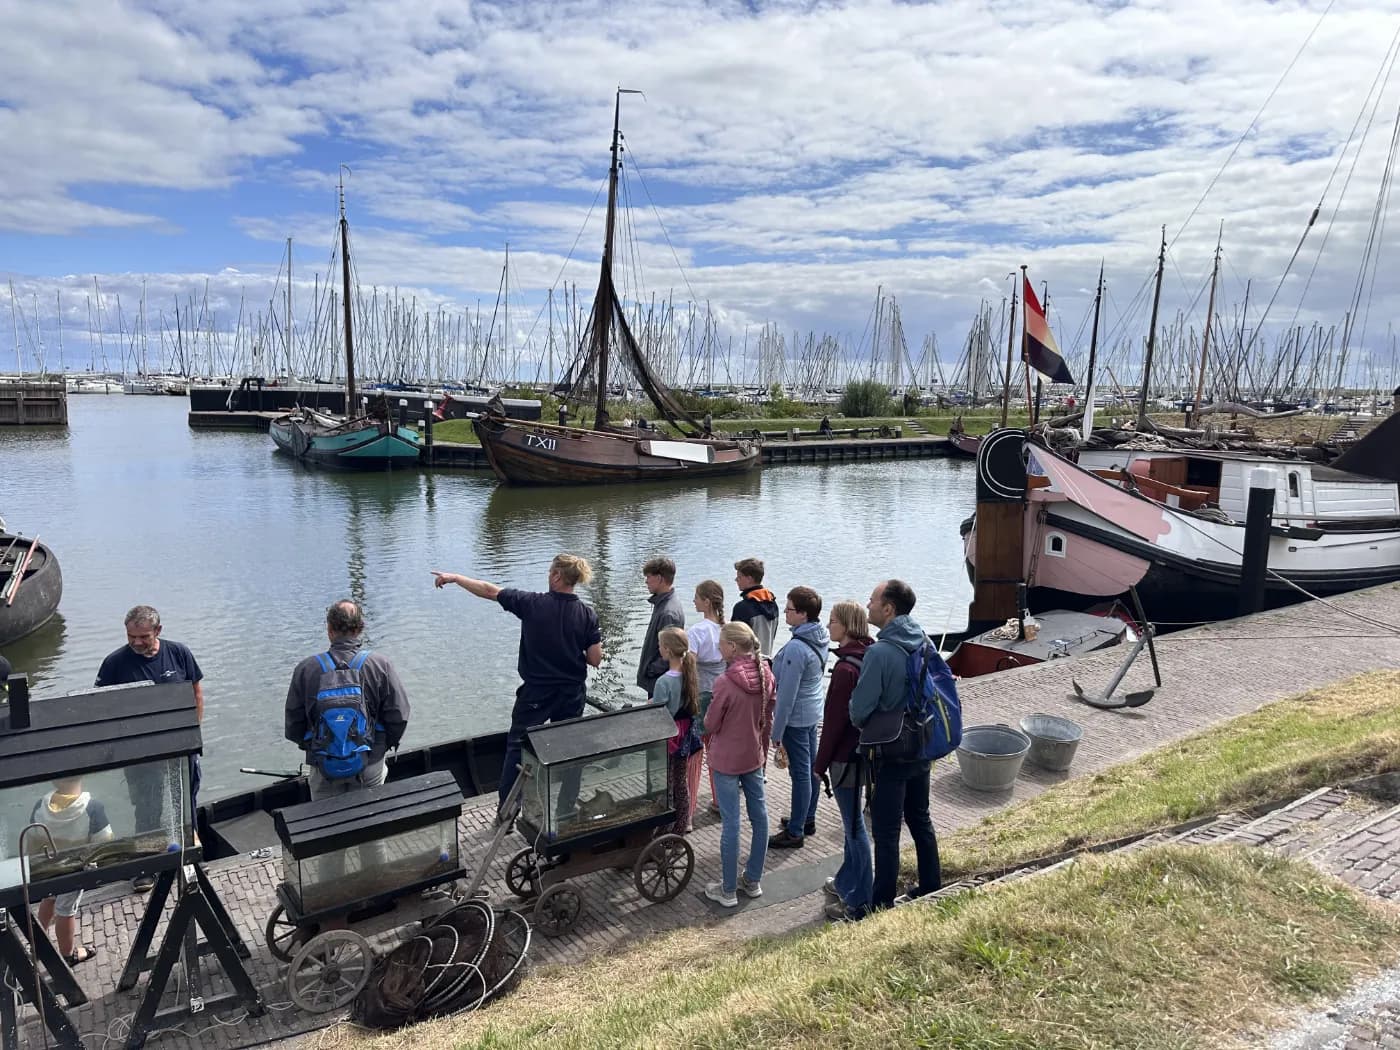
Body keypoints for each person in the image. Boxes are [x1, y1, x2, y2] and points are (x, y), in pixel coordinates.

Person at [433, 555, 602, 809]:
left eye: (549, 571)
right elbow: (595, 659)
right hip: (571, 693)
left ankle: (508, 810)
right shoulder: (587, 614)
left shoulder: (532, 604)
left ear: (556, 575)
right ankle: (565, 809)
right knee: (569, 748)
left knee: (519, 748)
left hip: (536, 692)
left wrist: (456, 578)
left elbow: (490, 591)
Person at [95, 605, 204, 893]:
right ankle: (146, 867)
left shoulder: (178, 653)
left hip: (181, 750)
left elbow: (196, 692)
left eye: (143, 636)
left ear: (158, 631)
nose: (136, 642)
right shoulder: (114, 664)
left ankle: (188, 860)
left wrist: (193, 734)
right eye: (131, 636)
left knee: (186, 804)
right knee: (146, 809)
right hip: (140, 755)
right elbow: (101, 708)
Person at [850, 579, 942, 911]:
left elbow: (859, 709)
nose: (868, 604)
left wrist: (862, 718)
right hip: (921, 742)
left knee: (886, 831)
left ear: (888, 609)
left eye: (872, 600)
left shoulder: (880, 652)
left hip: (890, 751)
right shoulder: (923, 640)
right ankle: (932, 883)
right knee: (920, 816)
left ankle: (881, 902)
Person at [284, 600, 410, 801]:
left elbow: (293, 725)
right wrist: (381, 746)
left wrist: (316, 748)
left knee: (325, 824)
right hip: (369, 761)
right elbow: (399, 716)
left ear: (329, 629)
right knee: (370, 819)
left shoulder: (306, 669)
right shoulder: (379, 665)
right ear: (360, 628)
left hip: (323, 765)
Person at [703, 622, 774, 908]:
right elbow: (768, 716)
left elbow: (710, 723)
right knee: (760, 816)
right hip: (753, 756)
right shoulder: (766, 673)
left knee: (731, 823)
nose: (719, 648)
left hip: (726, 760)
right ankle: (753, 880)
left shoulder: (725, 683)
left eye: (721, 644)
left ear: (732, 647)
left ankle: (728, 889)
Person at [814, 601, 876, 920]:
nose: (828, 626)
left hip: (845, 757)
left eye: (833, 621)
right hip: (866, 752)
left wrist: (819, 764)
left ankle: (861, 899)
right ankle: (846, 881)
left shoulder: (845, 669)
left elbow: (834, 722)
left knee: (854, 829)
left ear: (848, 626)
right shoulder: (871, 656)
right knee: (853, 823)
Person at [768, 586, 829, 850]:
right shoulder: (821, 636)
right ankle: (807, 818)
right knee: (811, 768)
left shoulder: (796, 649)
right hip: (812, 711)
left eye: (790, 609)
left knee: (801, 774)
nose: (785, 612)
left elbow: (786, 696)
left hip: (796, 718)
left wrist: (776, 732)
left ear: (803, 614)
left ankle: (795, 831)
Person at [30, 777, 112, 966]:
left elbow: (32, 837)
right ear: (82, 776)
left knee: (48, 899)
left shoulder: (40, 805)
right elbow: (105, 842)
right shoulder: (93, 807)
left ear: (53, 781)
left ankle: (36, 945)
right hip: (74, 869)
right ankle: (68, 954)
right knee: (66, 909)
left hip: (47, 866)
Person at [652, 627, 700, 836]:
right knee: (680, 782)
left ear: (669, 651)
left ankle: (664, 828)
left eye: (661, 645)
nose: (658, 648)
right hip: (686, 733)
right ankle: (681, 825)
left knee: (666, 783)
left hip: (670, 735)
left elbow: (661, 711)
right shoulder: (689, 674)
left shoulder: (664, 681)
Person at [687, 580, 726, 826]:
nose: (694, 601)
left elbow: (689, 668)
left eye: (697, 597)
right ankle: (720, 801)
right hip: (721, 694)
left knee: (694, 753)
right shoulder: (727, 629)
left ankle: (688, 812)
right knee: (717, 750)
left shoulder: (697, 631)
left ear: (707, 601)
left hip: (700, 694)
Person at [637, 556, 684, 699]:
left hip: (658, 681)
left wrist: (650, 670)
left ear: (659, 578)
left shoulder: (668, 612)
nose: (646, 581)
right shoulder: (663, 604)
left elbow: (671, 651)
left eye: (648, 576)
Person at [731, 558, 779, 658]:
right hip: (766, 662)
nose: (736, 580)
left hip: (746, 665)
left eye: (739, 577)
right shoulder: (773, 604)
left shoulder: (742, 608)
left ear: (749, 579)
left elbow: (733, 642)